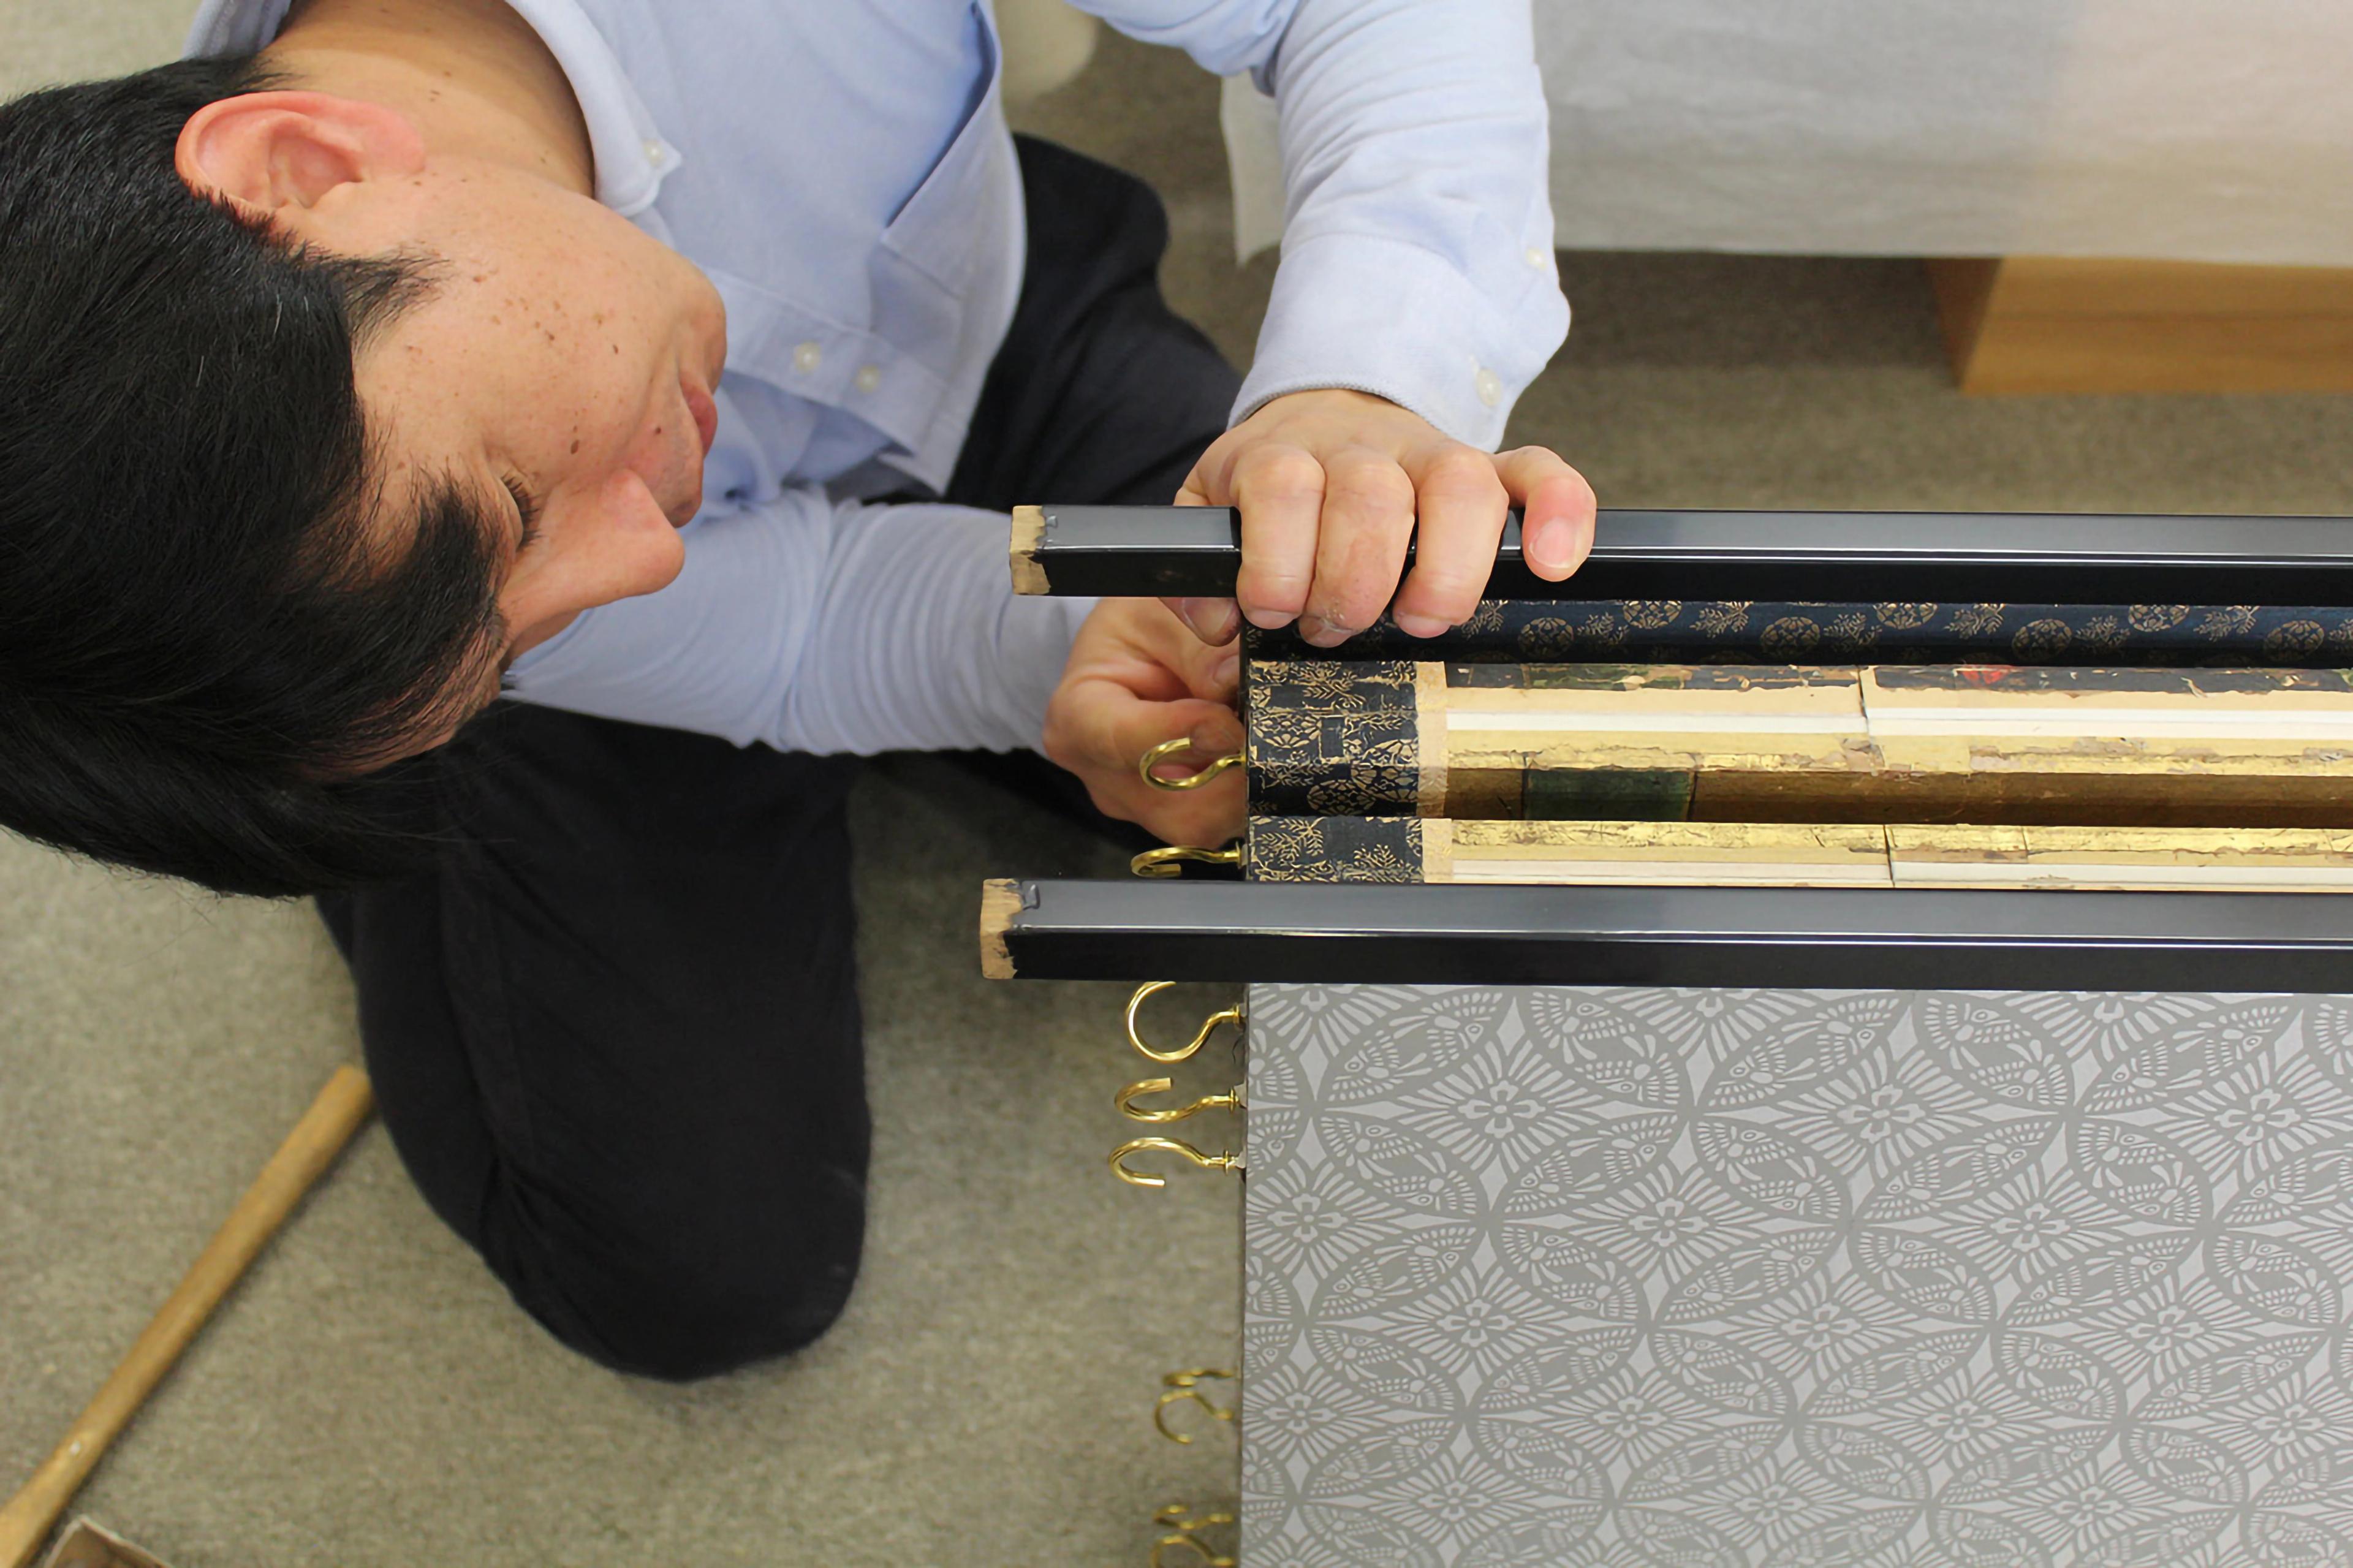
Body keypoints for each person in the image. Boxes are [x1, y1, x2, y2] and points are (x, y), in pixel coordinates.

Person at [0, 0, 1593, 1378]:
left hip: (966, 307)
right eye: (490, 629)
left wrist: (1362, 383)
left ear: (309, 175)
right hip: (551, 660)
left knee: (1482, 751)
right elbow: (793, 622)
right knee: (694, 1273)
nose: (636, 569)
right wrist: (1042, 663)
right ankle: (410, 766)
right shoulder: (490, 563)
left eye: (499, 508)